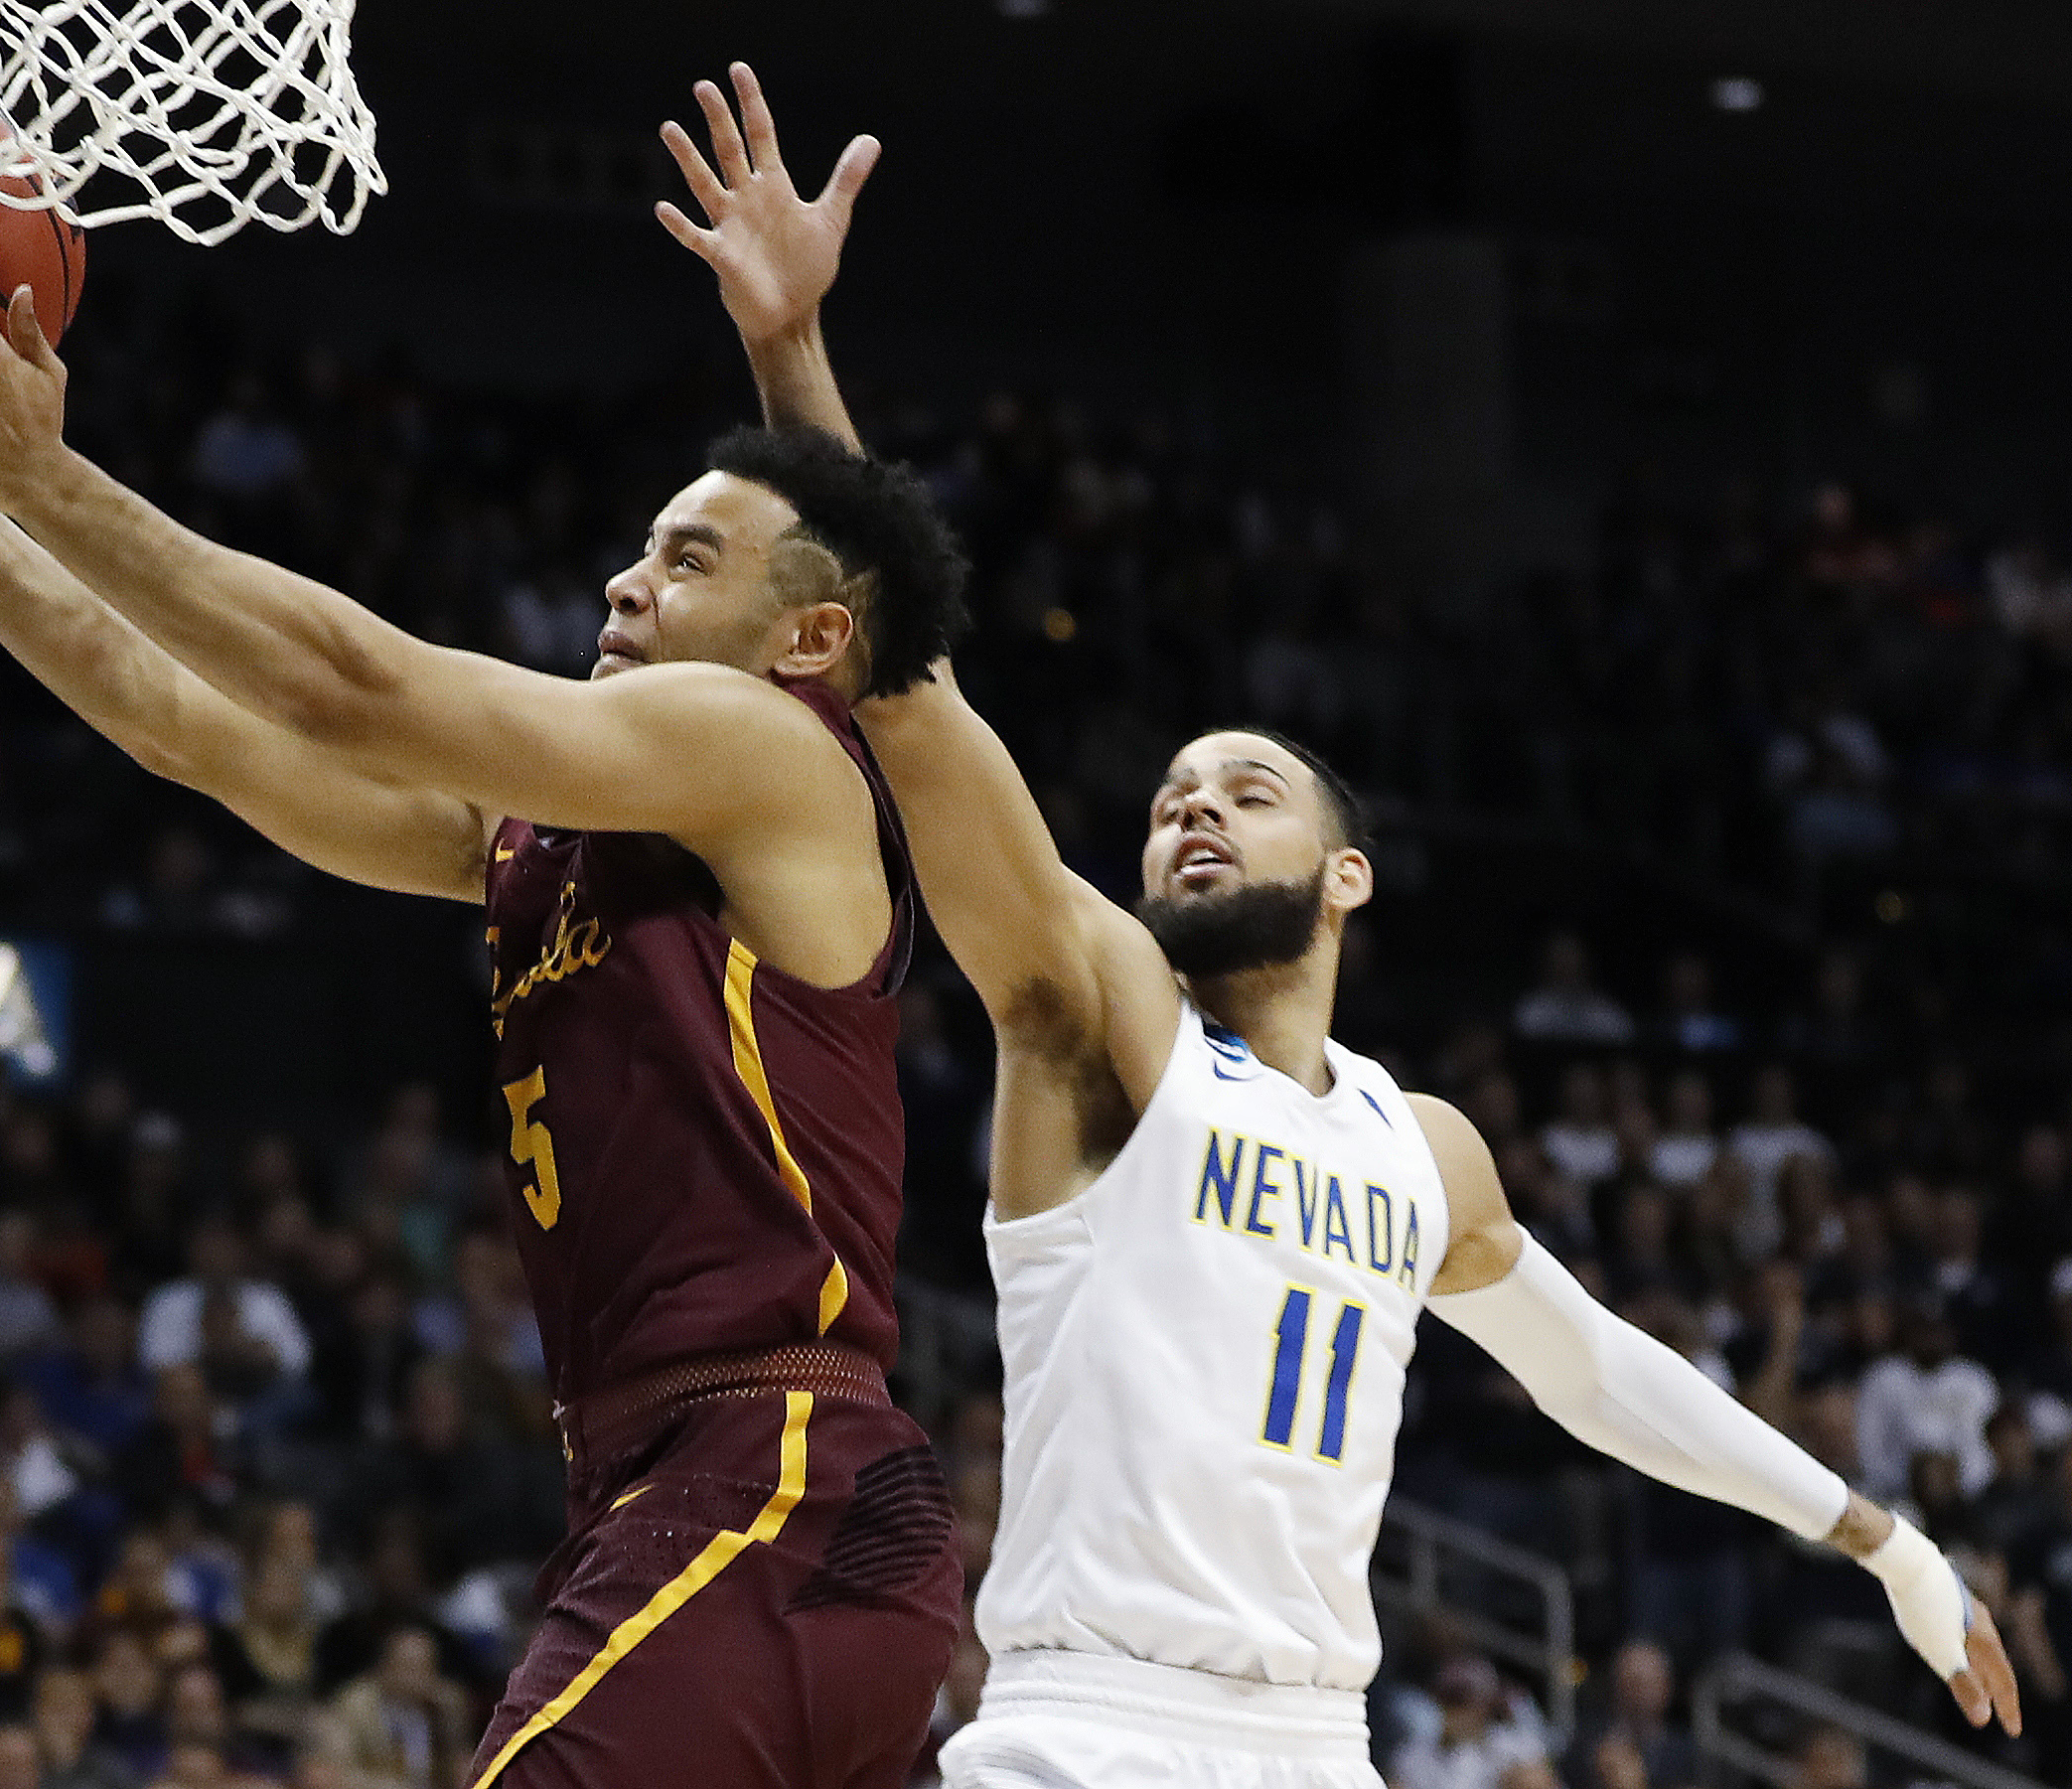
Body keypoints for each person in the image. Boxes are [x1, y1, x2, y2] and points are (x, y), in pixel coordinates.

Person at [657, 82, 2027, 1789]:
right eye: (1170, 793)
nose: (1192, 809)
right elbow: (918, 698)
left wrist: (1882, 1539)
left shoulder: (1423, 1150)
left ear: (1351, 876)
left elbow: (1597, 1372)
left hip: (1319, 1744)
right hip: (1088, 1729)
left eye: (1245, 787)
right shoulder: (1101, 1019)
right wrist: (795, 356)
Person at [0, 66, 963, 1789]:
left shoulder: (772, 752)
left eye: (690, 561)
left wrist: (47, 469)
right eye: (640, 546)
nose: (629, 581)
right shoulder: (554, 829)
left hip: (769, 1476)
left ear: (808, 643)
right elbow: (205, 731)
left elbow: (355, 680)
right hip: (713, 1496)